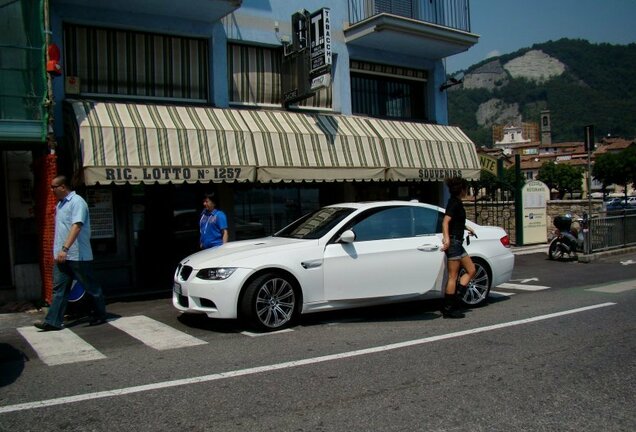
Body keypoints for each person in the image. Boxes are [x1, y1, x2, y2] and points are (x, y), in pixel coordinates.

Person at [34, 175, 108, 331]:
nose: (52, 190)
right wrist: (60, 251)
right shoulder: (60, 205)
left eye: (54, 187)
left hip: (77, 254)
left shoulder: (77, 202)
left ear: (63, 187)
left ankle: (100, 314)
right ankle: (53, 321)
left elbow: (77, 226)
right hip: (62, 255)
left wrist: (65, 248)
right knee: (59, 289)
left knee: (90, 286)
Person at [440, 177, 477, 319]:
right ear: (461, 189)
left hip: (458, 243)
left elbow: (456, 221)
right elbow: (446, 221)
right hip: (454, 243)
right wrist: (447, 239)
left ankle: (456, 299)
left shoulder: (457, 203)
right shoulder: (453, 203)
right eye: (466, 188)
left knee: (471, 270)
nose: (467, 190)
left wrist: (467, 227)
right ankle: (448, 309)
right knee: (453, 276)